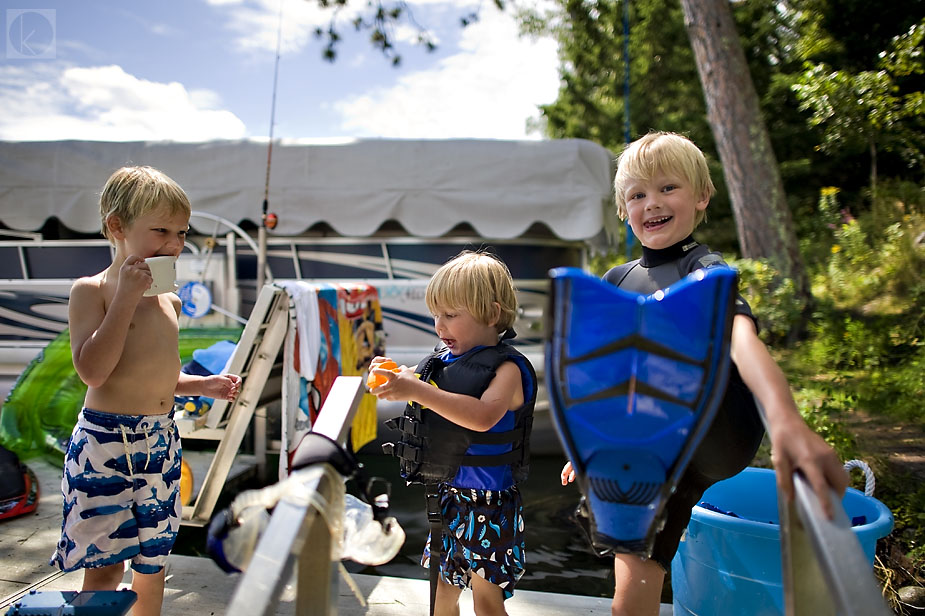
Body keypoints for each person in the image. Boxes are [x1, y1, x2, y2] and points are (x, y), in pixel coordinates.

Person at [559, 131, 849, 616]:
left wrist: (785, 421)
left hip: (711, 434)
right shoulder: (617, 281)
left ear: (701, 197)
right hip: (648, 439)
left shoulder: (704, 271)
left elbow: (742, 342)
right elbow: (611, 375)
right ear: (623, 210)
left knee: (629, 594)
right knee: (627, 582)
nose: (652, 203)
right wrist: (592, 445)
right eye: (637, 194)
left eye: (667, 188)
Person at [50, 166, 242, 616]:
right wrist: (125, 299)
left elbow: (157, 375)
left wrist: (203, 384)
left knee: (153, 563)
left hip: (159, 441)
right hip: (105, 443)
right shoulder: (91, 291)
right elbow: (94, 372)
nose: (175, 244)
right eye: (161, 231)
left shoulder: (170, 301)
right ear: (117, 226)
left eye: (181, 232)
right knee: (104, 565)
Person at [371, 250, 536, 616]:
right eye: (436, 315)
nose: (439, 326)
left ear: (492, 315)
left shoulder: (507, 371)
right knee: (440, 597)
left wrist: (416, 390)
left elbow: (481, 418)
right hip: (447, 499)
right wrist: (390, 373)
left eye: (450, 315)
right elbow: (410, 377)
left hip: (489, 507)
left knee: (486, 605)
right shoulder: (440, 362)